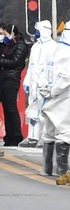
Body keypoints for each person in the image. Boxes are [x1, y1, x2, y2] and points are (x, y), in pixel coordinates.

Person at [0, 22, 27, 146]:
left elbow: (14, 61)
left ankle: (15, 136)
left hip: (9, 79)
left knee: (10, 109)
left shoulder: (17, 45)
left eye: (3, 34)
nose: (1, 36)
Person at [41, 27, 70, 178]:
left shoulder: (55, 49)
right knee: (64, 133)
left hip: (50, 97)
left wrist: (46, 89)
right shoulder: (66, 52)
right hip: (63, 97)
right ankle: (62, 171)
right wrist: (53, 91)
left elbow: (43, 71)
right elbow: (66, 78)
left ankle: (46, 169)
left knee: (49, 132)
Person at [21, 21, 54, 148]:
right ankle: (32, 137)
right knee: (33, 112)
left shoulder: (53, 47)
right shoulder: (35, 47)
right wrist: (27, 81)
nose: (36, 33)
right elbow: (31, 67)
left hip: (45, 86)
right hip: (34, 84)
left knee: (45, 112)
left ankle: (44, 138)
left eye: (38, 30)